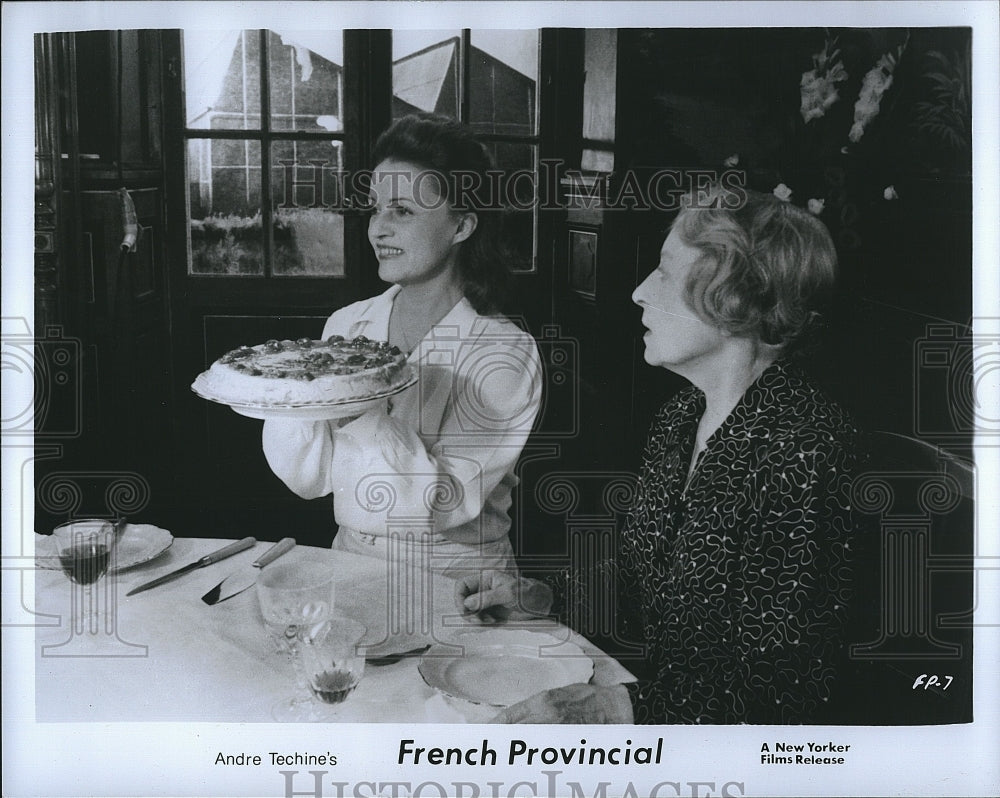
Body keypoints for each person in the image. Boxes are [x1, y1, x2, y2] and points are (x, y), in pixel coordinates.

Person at [456, 188, 861, 724]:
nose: (639, 292)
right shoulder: (681, 416)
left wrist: (616, 710)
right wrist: (541, 594)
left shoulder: (805, 450)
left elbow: (784, 684)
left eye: (665, 273)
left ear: (736, 296)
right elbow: (640, 579)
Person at [263, 113, 542, 576]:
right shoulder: (348, 327)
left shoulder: (504, 352)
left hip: (456, 582)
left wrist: (356, 403)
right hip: (349, 564)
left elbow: (443, 503)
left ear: (461, 227)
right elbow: (309, 478)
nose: (378, 228)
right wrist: (286, 389)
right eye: (376, 208)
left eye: (403, 211)